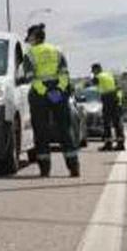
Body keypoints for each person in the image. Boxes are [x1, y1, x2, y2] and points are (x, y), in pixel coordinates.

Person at [23, 24, 80, 177]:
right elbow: (64, 75)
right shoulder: (57, 51)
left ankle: (45, 169)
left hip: (40, 95)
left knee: (41, 131)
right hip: (58, 93)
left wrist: (44, 92)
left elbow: (30, 78)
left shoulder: (30, 54)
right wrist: (58, 91)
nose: (28, 42)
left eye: (29, 39)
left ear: (34, 38)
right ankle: (73, 167)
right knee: (65, 129)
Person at [91, 63, 125, 151]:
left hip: (107, 98)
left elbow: (94, 84)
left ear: (96, 70)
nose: (93, 73)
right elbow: (116, 86)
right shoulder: (109, 75)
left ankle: (108, 144)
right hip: (115, 98)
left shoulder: (98, 77)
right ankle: (120, 144)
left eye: (93, 71)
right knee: (117, 123)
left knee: (107, 123)